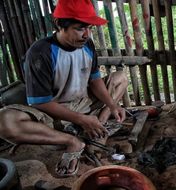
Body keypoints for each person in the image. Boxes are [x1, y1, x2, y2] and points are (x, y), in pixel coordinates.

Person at [0, 0, 127, 177]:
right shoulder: (40, 52)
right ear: (60, 25)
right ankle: (72, 140)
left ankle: (101, 122)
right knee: (5, 122)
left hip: (83, 102)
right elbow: (41, 102)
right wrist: (82, 120)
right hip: (53, 111)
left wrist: (112, 105)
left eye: (89, 28)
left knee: (120, 78)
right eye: (80, 28)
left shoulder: (87, 45)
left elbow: (95, 80)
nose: (86, 35)